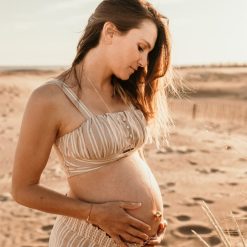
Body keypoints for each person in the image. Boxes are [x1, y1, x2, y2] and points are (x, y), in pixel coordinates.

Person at [11, 0, 174, 246]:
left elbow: (130, 157)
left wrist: (151, 222)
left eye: (148, 53)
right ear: (109, 32)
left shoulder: (125, 92)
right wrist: (94, 213)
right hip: (87, 238)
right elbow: (23, 190)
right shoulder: (50, 98)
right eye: (141, 47)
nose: (144, 62)